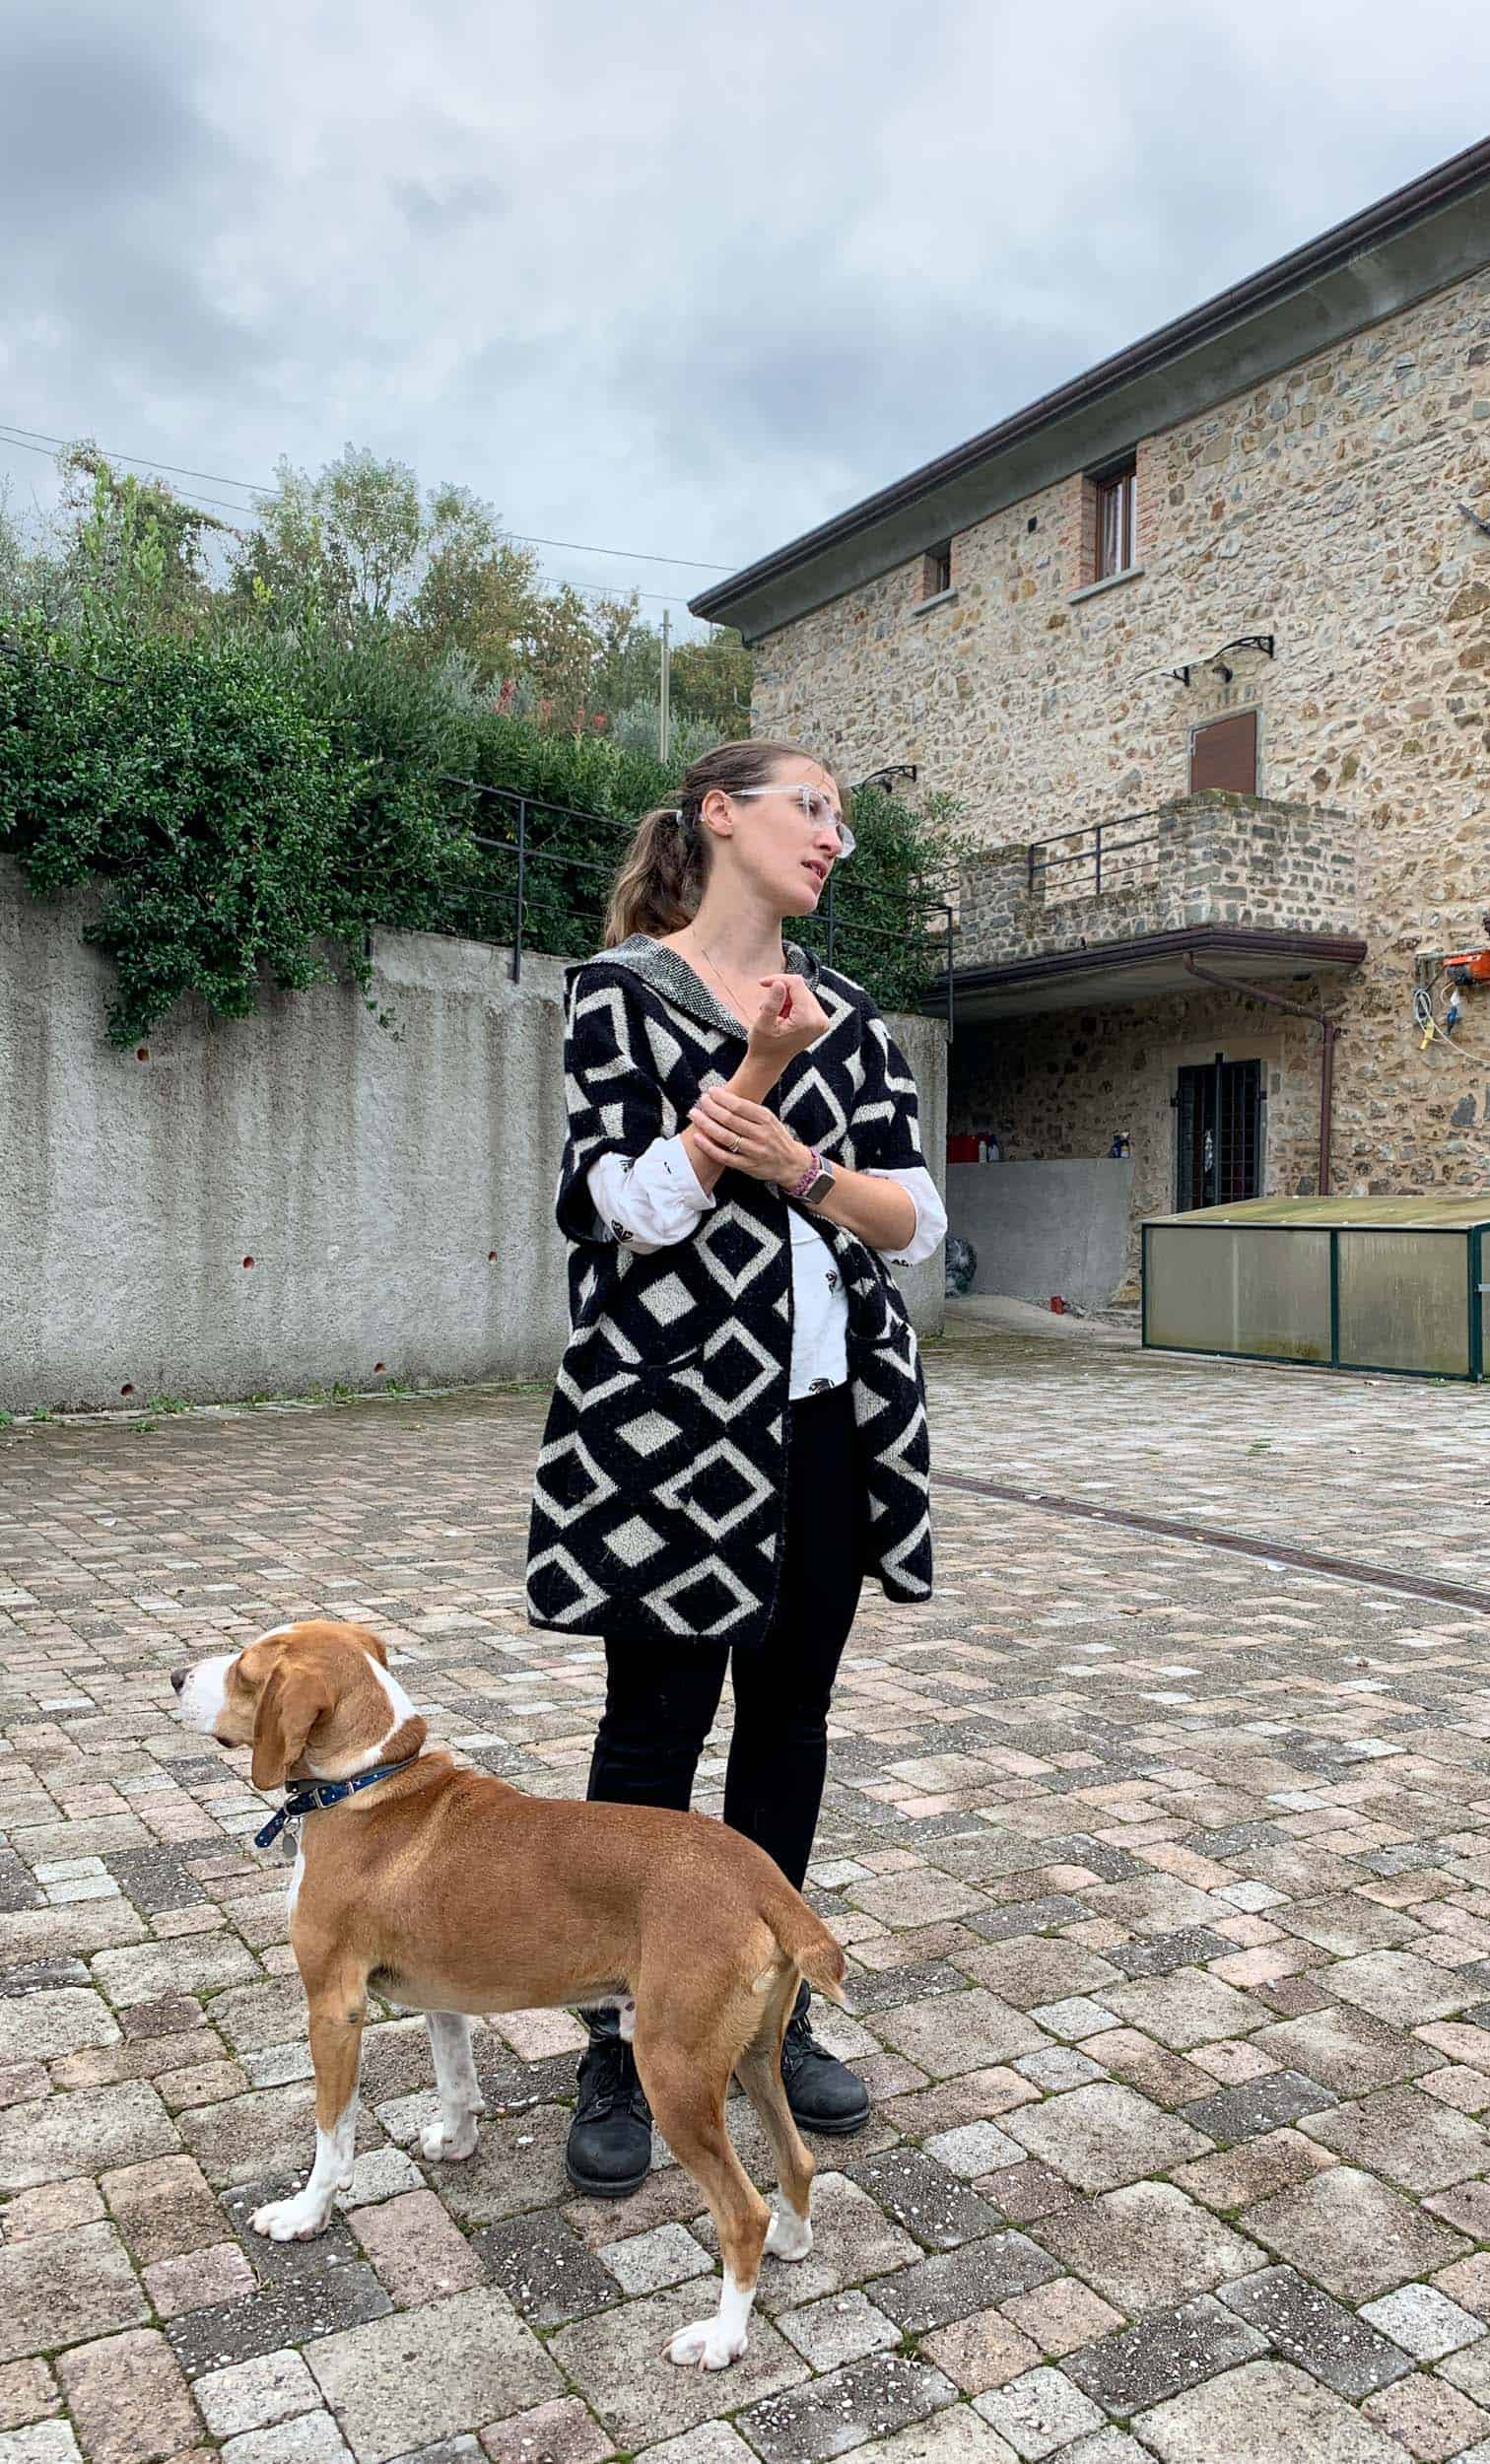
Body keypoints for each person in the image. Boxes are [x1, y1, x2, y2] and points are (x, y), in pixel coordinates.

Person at [525, 738, 944, 2199]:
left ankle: (769, 2020)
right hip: (666, 1439)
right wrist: (757, 1075)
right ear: (721, 815)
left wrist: (807, 1172)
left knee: (786, 1727)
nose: (835, 839)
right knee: (649, 1742)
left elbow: (915, 1218)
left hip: (824, 1430)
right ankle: (612, 2043)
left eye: (840, 821)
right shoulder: (616, 998)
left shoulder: (857, 1016)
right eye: (809, 810)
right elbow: (617, 1209)